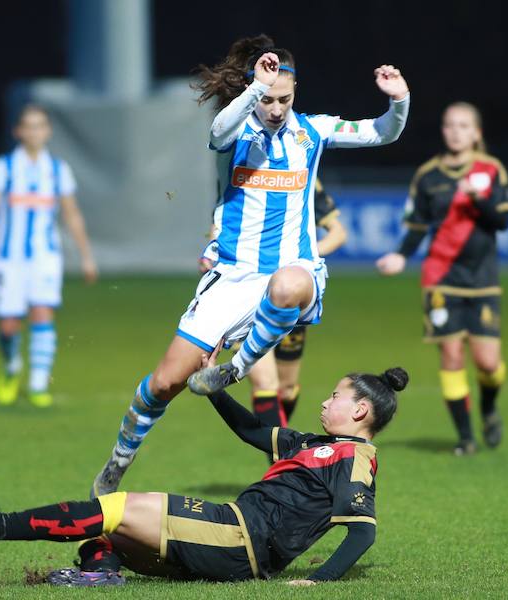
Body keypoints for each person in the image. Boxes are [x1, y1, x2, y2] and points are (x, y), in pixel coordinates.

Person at [91, 34, 409, 496]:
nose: (276, 108)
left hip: (294, 269)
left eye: (285, 98)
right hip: (231, 277)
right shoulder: (237, 130)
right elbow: (217, 133)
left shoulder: (313, 132)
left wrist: (398, 99)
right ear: (254, 91)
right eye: (268, 99)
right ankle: (119, 461)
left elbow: (383, 132)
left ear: (296, 91)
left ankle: (234, 369)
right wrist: (254, 88)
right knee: (163, 383)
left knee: (288, 284)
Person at [0, 361, 409, 587]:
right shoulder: (312, 443)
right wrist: (213, 388)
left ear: (360, 410)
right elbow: (251, 430)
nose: (325, 402)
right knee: (102, 528)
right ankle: (101, 574)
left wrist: (318, 580)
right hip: (232, 534)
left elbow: (362, 531)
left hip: (241, 539)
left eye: (336, 397)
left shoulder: (355, 457)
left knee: (115, 508)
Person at [375, 102, 508, 455]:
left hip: (482, 279)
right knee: (451, 355)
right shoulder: (428, 175)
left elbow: (503, 221)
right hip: (440, 276)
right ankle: (466, 438)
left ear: (476, 133)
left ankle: (488, 408)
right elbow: (417, 225)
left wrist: (477, 199)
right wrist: (401, 255)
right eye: (450, 125)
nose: (455, 132)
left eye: (464, 125)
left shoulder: (490, 169)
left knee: (489, 364)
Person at [0, 104, 98, 408]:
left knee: (43, 314)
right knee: (8, 324)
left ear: (48, 131)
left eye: (40, 125)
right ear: (18, 131)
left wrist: (86, 255)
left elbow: (71, 214)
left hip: (45, 256)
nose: (35, 132)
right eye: (29, 126)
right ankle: (11, 366)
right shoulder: (4, 167)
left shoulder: (57, 170)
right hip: (9, 257)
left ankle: (38, 383)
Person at [244, 179, 347, 431]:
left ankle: (277, 439)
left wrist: (305, 257)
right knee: (265, 384)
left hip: (291, 295)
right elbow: (219, 224)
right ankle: (280, 455)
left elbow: (338, 233)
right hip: (247, 293)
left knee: (286, 389)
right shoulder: (243, 170)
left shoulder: (302, 174)